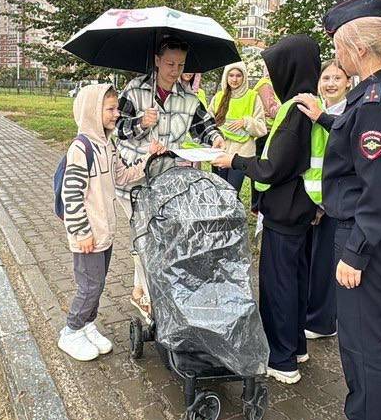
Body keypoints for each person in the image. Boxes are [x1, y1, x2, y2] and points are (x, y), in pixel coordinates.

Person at [293, 0, 381, 420]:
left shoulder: (374, 103)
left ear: (359, 49)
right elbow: (359, 144)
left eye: (338, 47)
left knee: (362, 337)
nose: (335, 55)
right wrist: (324, 118)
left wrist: (355, 254)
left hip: (369, 232)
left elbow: (379, 192)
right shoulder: (376, 92)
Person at [211, 35, 321, 385]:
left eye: (275, 71)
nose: (271, 80)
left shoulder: (294, 111)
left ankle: (282, 358)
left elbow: (273, 168)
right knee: (297, 280)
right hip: (300, 210)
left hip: (286, 212)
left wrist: (236, 161)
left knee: (279, 286)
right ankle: (297, 346)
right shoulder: (308, 103)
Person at [116, 37, 224, 313]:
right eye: (169, 63)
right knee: (142, 233)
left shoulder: (188, 97)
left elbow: (204, 125)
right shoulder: (135, 90)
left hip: (168, 180)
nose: (175, 70)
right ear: (156, 60)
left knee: (162, 234)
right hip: (136, 177)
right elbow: (116, 127)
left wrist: (215, 138)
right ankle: (144, 292)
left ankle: (149, 287)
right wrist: (140, 122)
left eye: (180, 65)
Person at [58, 83, 166, 361]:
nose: (117, 113)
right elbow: (72, 194)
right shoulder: (81, 149)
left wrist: (148, 158)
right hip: (88, 234)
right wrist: (81, 232)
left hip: (104, 231)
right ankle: (71, 331)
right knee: (89, 285)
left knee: (99, 282)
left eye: (117, 108)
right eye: (110, 109)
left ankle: (87, 325)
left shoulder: (107, 144)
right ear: (92, 111)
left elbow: (122, 177)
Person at [305, 60, 350, 341]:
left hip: (337, 200)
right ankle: (314, 314)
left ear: (348, 82)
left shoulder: (350, 111)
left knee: (326, 262)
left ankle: (324, 322)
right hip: (318, 197)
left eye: (337, 77)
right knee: (315, 259)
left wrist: (323, 203)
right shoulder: (315, 109)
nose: (331, 83)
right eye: (326, 78)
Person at [208, 62, 267, 196]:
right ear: (226, 77)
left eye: (238, 75)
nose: (234, 79)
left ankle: (232, 217)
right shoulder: (218, 97)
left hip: (241, 155)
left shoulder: (253, 97)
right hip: (220, 151)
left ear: (244, 77)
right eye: (231, 75)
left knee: (232, 193)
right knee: (218, 191)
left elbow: (262, 128)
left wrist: (246, 122)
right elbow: (208, 122)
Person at [250, 63, 281, 212]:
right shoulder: (265, 83)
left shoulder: (277, 84)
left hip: (274, 132)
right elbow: (273, 110)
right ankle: (257, 205)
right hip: (265, 134)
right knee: (261, 170)